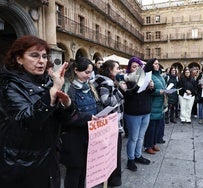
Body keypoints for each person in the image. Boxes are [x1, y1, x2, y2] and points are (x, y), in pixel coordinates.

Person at [0, 35, 75, 188]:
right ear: (19, 59)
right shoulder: (9, 86)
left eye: (44, 56)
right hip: (22, 165)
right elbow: (27, 120)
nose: (41, 61)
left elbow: (64, 122)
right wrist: (52, 94)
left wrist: (67, 104)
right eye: (34, 55)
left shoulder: (47, 83)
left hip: (48, 160)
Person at [60, 57, 99, 188]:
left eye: (91, 73)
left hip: (89, 135)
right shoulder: (68, 88)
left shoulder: (89, 87)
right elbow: (67, 116)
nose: (89, 76)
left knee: (84, 170)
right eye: (86, 72)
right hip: (73, 139)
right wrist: (89, 117)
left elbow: (96, 105)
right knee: (74, 171)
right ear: (76, 70)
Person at [93, 60, 125, 186]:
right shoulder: (107, 82)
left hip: (110, 122)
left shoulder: (101, 80)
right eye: (117, 68)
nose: (119, 70)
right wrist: (119, 93)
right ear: (110, 70)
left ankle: (107, 178)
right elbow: (106, 100)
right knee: (113, 153)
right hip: (112, 122)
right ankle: (113, 179)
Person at [122, 57, 155, 171]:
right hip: (133, 113)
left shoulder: (145, 77)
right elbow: (128, 95)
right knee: (133, 138)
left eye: (138, 66)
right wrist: (138, 85)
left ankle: (138, 155)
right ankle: (130, 159)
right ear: (130, 69)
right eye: (134, 66)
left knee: (141, 137)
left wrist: (151, 87)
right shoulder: (125, 80)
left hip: (146, 111)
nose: (136, 68)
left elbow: (150, 94)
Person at [144, 58, 165, 154]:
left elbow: (163, 87)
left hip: (160, 105)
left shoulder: (160, 76)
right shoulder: (149, 76)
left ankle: (153, 143)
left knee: (157, 126)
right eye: (155, 63)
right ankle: (148, 146)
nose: (158, 65)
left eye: (158, 64)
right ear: (151, 65)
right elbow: (147, 91)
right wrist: (158, 92)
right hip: (152, 104)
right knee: (151, 128)